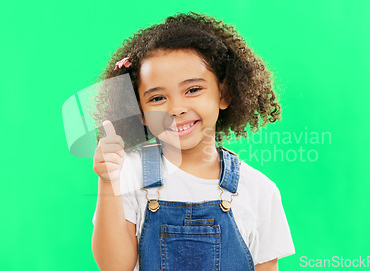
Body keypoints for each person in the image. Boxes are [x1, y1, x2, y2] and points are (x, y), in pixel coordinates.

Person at [90, 12, 295, 271]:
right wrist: (107, 180)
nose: (176, 108)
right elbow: (114, 266)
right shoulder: (129, 174)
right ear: (140, 112)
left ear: (224, 94)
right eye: (157, 98)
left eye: (193, 90)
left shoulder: (258, 190)